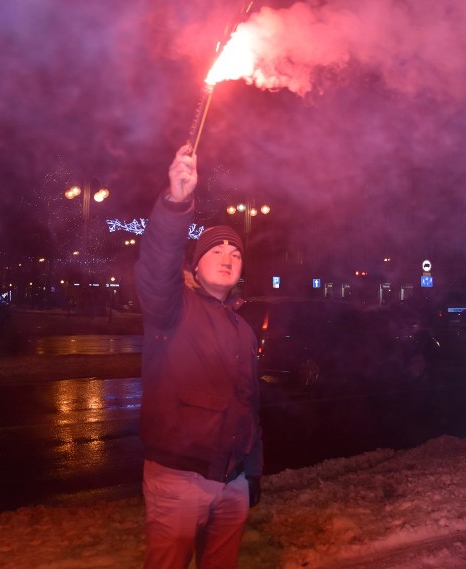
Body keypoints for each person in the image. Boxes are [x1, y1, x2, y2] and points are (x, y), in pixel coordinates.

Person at [134, 144, 263, 569]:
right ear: (195, 262)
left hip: (233, 478)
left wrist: (252, 471)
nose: (228, 258)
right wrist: (175, 204)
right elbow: (156, 265)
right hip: (178, 478)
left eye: (236, 253)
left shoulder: (242, 329)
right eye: (216, 251)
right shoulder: (172, 309)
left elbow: (249, 404)